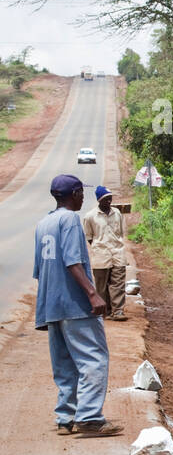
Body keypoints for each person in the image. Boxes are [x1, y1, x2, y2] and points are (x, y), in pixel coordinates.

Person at [33, 175, 122, 438]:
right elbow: (73, 261)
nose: (83, 197)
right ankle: (90, 417)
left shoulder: (43, 224)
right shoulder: (71, 219)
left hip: (52, 304)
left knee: (65, 364)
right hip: (74, 304)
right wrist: (93, 294)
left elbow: (40, 271)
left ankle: (65, 417)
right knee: (93, 359)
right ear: (73, 194)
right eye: (81, 193)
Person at [82, 185, 127, 321]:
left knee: (118, 284)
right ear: (99, 200)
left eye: (110, 198)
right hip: (101, 256)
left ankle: (118, 311)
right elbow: (89, 237)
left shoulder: (117, 213)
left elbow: (120, 232)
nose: (109, 201)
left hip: (117, 253)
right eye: (105, 199)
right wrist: (100, 247)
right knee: (102, 286)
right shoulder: (90, 216)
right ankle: (105, 310)